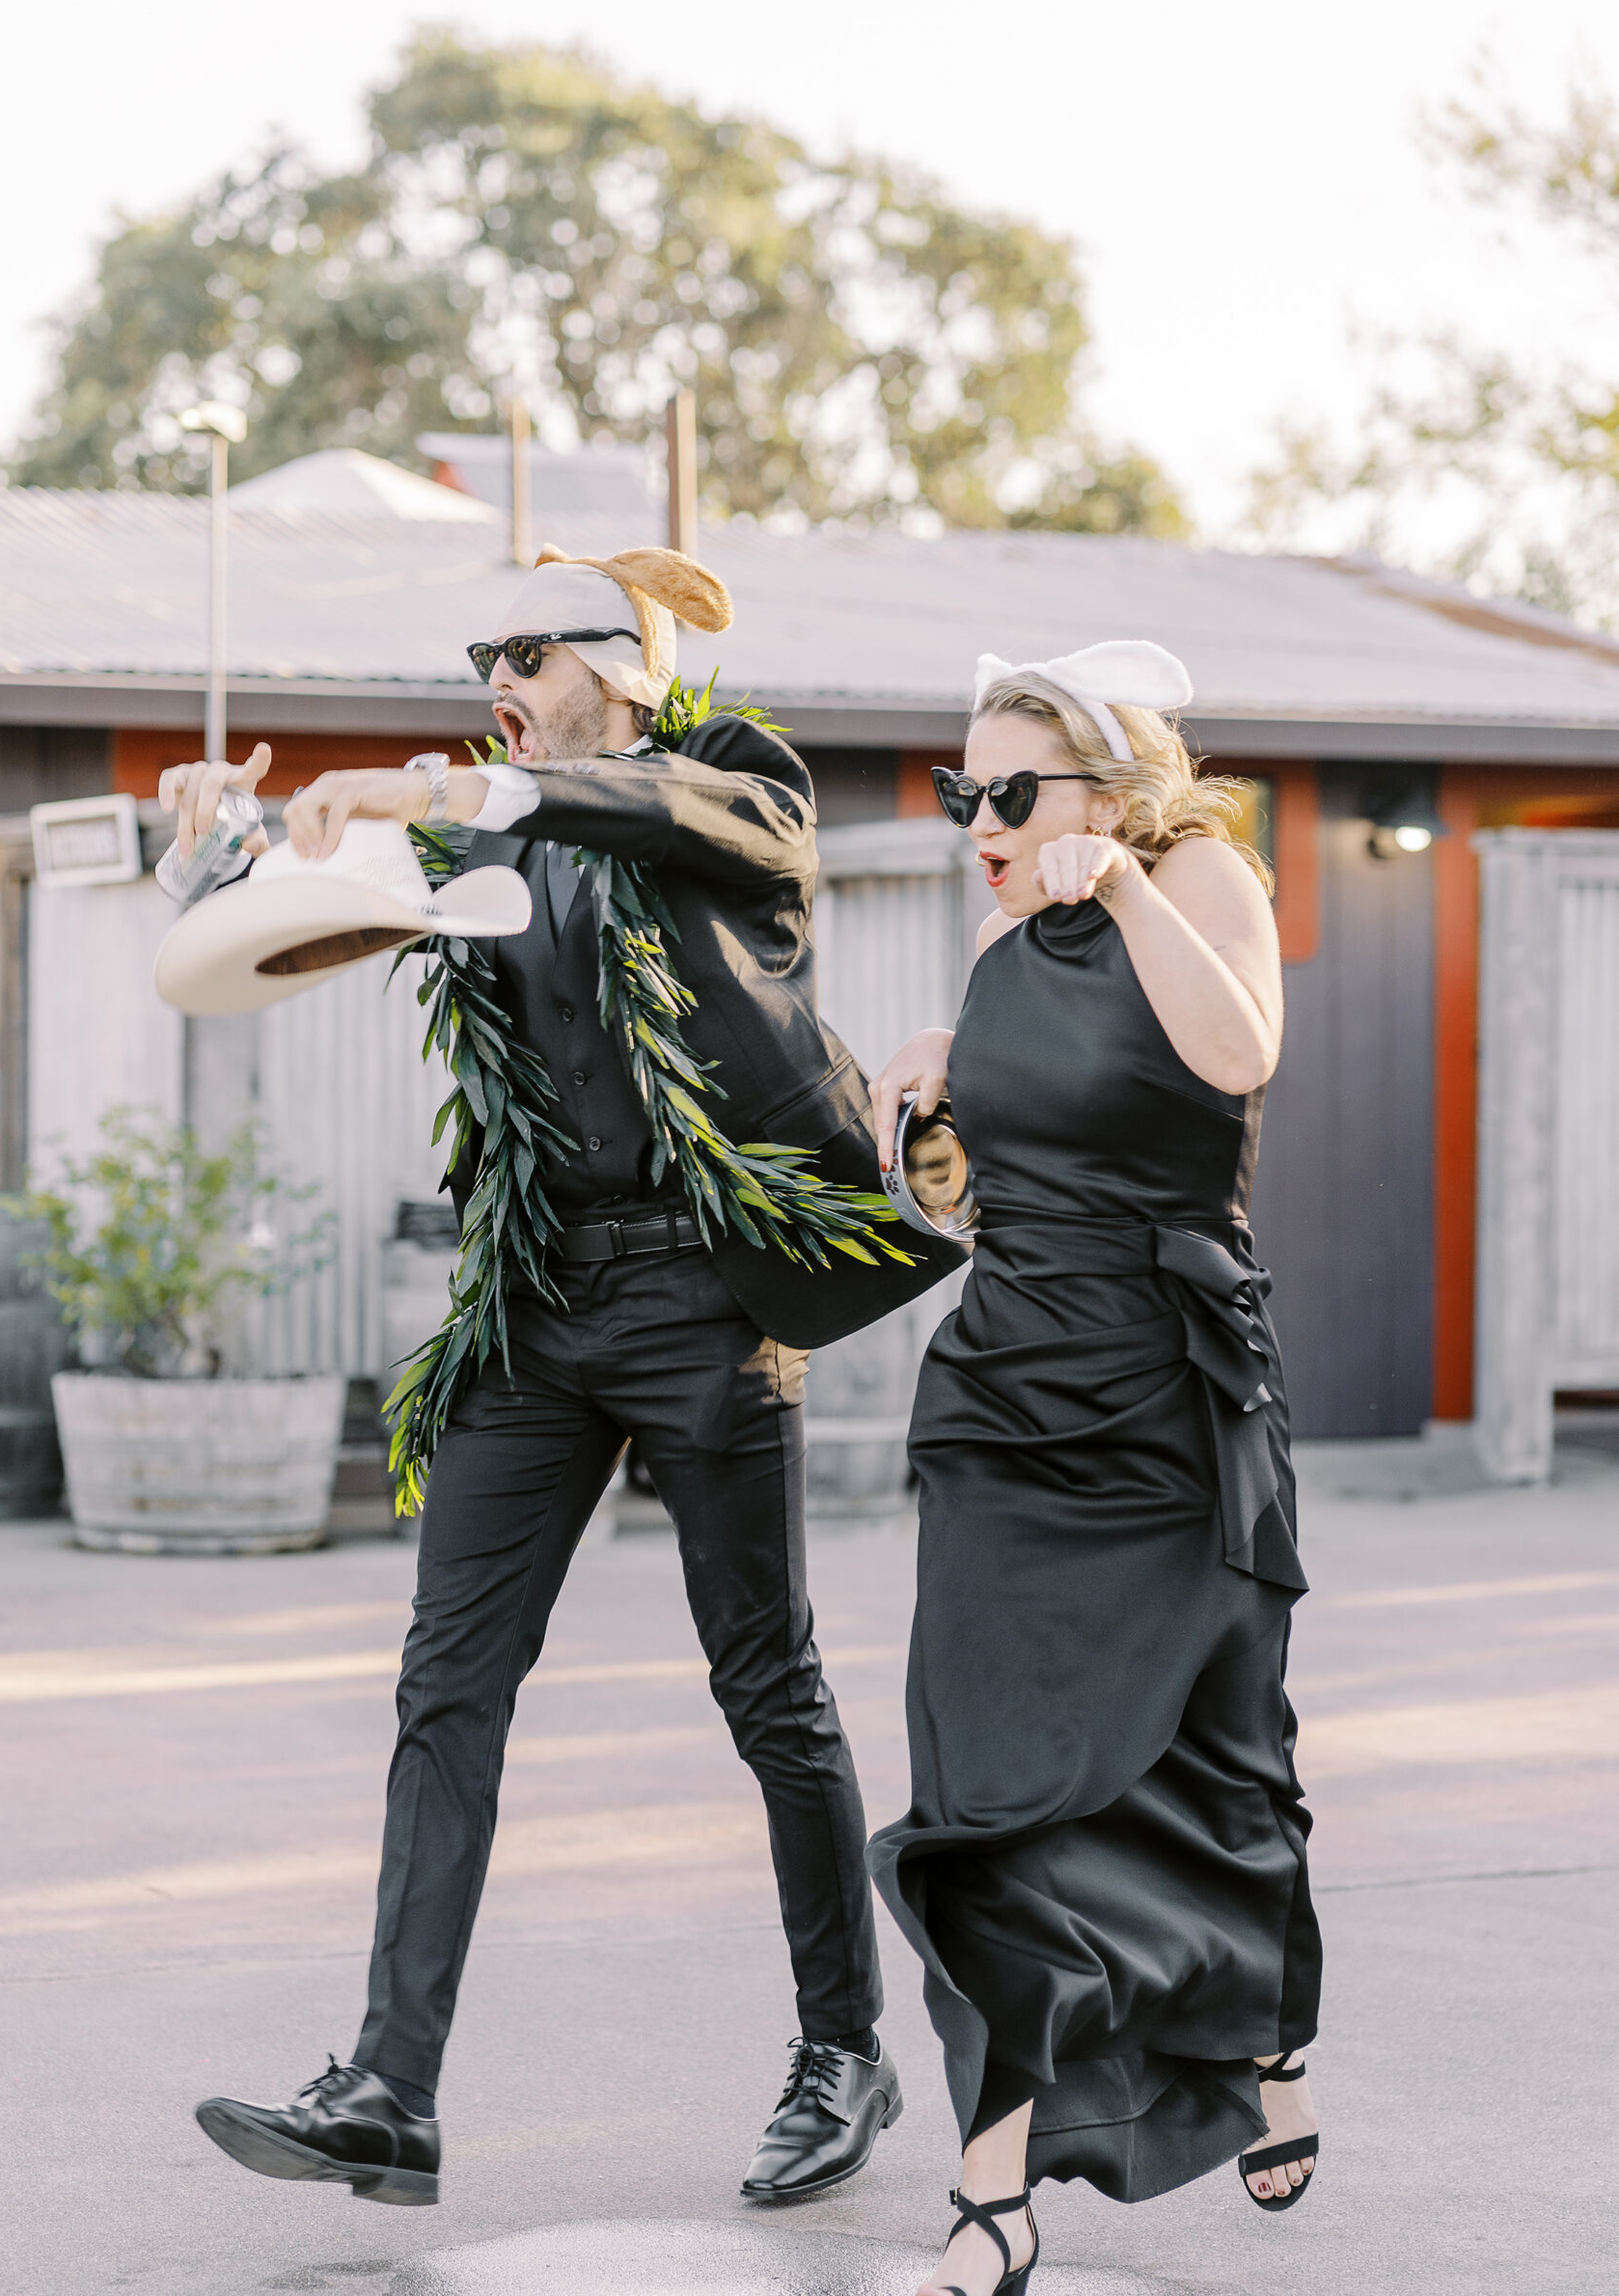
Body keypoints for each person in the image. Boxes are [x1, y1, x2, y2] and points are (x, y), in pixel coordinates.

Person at [168, 543, 966, 2208]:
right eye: (483, 652)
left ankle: (845, 2050)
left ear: (622, 664)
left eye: (522, 648)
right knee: (444, 1684)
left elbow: (671, 815)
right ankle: (391, 2087)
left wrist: (456, 786)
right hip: (535, 1303)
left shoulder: (739, 783)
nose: (493, 676)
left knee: (770, 1687)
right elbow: (300, 920)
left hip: (704, 1290)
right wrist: (222, 862)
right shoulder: (479, 819)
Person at [864, 642, 1322, 2296]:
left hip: (1170, 1409)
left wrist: (1126, 886)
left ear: (1111, 791)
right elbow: (994, 1196)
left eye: (1008, 791)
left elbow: (1237, 1053)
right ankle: (994, 2188)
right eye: (957, 792)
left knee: (1215, 1762)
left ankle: (1262, 2037)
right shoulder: (997, 940)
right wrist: (931, 1099)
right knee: (979, 1796)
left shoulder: (1197, 874)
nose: (974, 820)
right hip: (1006, 1403)